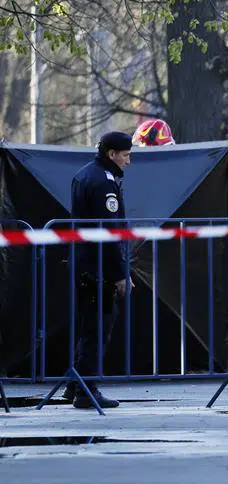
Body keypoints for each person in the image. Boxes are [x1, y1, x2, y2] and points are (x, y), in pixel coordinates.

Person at [62, 131, 134, 409]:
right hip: (98, 267)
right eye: (126, 156)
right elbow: (109, 233)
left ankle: (74, 385)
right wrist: (119, 274)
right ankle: (85, 390)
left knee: (86, 327)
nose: (128, 162)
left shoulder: (85, 174)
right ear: (112, 154)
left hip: (84, 263)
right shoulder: (103, 183)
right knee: (97, 328)